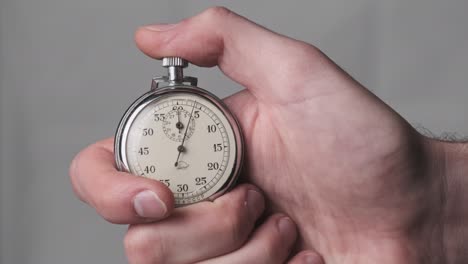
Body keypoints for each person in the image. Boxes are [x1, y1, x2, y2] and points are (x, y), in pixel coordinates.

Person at [69, 7, 468, 264]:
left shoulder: (225, 127)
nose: (181, 149)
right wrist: (437, 196)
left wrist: (439, 197)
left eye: (189, 134)